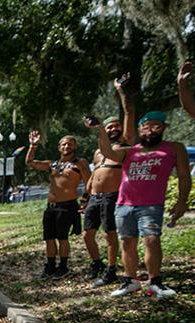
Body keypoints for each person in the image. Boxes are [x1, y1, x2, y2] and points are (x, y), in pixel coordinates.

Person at [86, 111, 190, 298]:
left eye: (156, 126)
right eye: (146, 127)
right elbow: (107, 152)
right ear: (140, 129)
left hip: (151, 205)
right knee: (127, 242)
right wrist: (100, 129)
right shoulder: (130, 151)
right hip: (124, 204)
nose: (150, 131)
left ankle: (155, 282)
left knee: (151, 239)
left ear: (164, 128)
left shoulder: (174, 148)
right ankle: (130, 281)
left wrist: (182, 201)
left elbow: (184, 177)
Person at [82, 76, 135, 287]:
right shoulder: (99, 151)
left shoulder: (126, 145)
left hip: (113, 196)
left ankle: (112, 269)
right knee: (88, 235)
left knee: (110, 235)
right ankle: (97, 263)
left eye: (116, 126)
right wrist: (85, 196)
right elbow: (95, 175)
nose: (113, 129)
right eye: (109, 127)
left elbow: (129, 113)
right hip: (94, 197)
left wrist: (121, 90)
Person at [26, 132, 91, 278]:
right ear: (59, 147)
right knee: (49, 238)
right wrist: (33, 146)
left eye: (70, 143)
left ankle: (63, 267)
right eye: (64, 144)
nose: (67, 146)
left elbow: (90, 183)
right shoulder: (53, 164)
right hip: (51, 206)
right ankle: (50, 266)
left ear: (75, 146)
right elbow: (30, 163)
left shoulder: (79, 163)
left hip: (67, 206)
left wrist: (85, 200)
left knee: (62, 238)